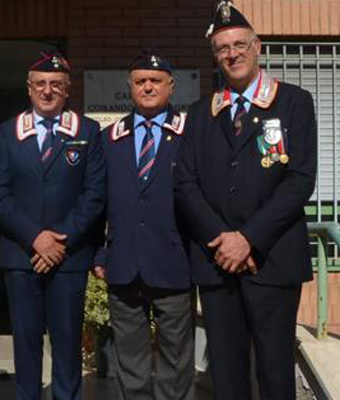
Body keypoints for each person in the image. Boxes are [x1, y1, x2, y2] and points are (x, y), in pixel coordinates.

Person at [175, 2, 317, 399]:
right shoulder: (200, 113)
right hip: (217, 262)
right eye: (222, 48)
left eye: (240, 44)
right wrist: (224, 239)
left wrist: (248, 238)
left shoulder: (293, 102)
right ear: (215, 55)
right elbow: (185, 183)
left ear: (258, 47)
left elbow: (300, 180)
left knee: (275, 374)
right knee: (226, 376)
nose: (232, 54)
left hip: (272, 260)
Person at [0, 51, 105, 400]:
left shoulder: (88, 130)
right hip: (21, 254)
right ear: (29, 88)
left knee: (67, 343)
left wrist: (59, 240)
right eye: (40, 84)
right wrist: (36, 238)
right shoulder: (6, 132)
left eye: (56, 84)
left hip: (69, 255)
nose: (47, 90)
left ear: (67, 89)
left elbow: (95, 194)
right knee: (26, 342)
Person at [93, 49, 194, 400]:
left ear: (171, 86)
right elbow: (98, 201)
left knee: (176, 363)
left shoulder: (190, 135)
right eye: (140, 81)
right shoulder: (109, 138)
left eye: (155, 81)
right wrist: (99, 253)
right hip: (123, 263)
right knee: (130, 362)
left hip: (174, 260)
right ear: (130, 86)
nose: (148, 87)